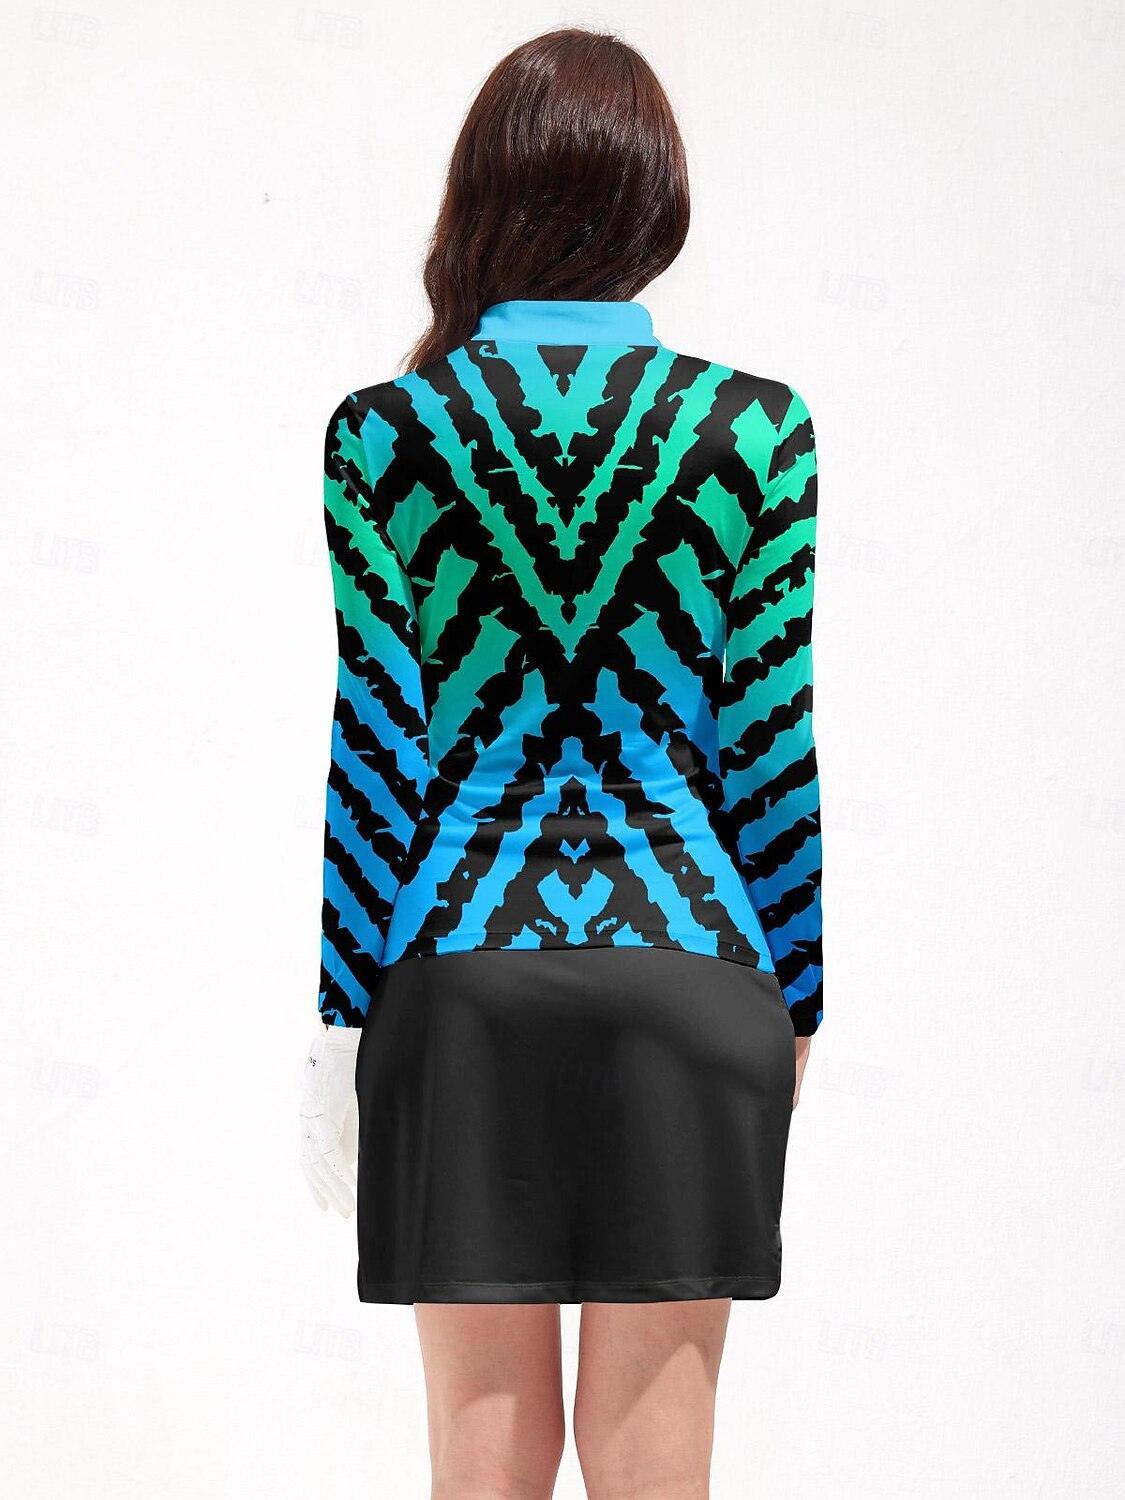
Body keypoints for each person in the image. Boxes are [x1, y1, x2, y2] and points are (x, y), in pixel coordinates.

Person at [299, 27, 821, 1499]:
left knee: (485, 1454)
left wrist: (341, 1020)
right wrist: (795, 1006)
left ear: (485, 190)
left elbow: (376, 752)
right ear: (655, 198)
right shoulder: (757, 430)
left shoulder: (383, 436)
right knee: (659, 1466)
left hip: (459, 976)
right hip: (694, 972)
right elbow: (769, 747)